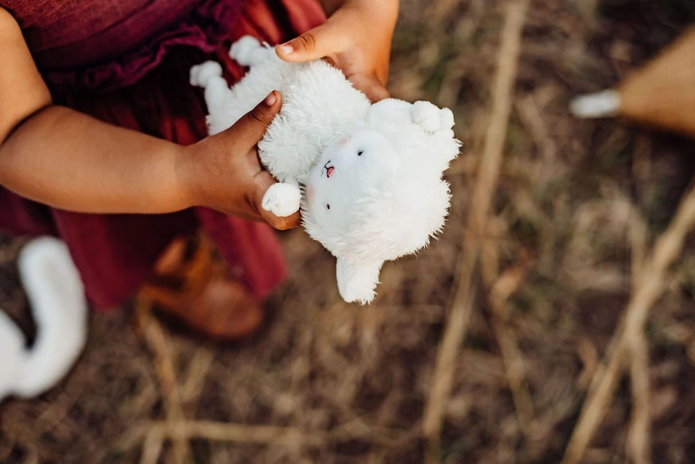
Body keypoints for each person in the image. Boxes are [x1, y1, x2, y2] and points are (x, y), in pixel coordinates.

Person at [0, 0, 398, 340]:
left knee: (259, 170)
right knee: (137, 219)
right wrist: (180, 177)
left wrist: (371, 11)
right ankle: (173, 270)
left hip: (249, 41)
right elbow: (16, 132)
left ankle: (231, 227)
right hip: (94, 128)